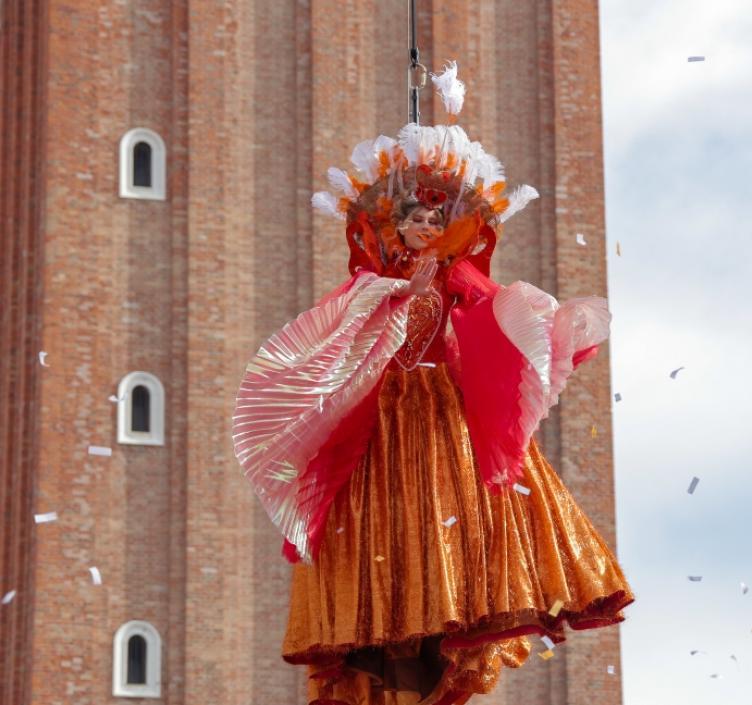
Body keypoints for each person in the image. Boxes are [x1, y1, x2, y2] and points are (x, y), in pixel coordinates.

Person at [234, 75, 633, 705]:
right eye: (415, 219)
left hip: (444, 415)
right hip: (382, 420)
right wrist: (400, 294)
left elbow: (499, 315)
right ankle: (394, 615)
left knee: (464, 518)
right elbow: (343, 335)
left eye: (433, 220)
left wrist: (549, 329)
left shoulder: (458, 278)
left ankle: (455, 604)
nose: (424, 227)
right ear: (395, 227)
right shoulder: (370, 287)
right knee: (387, 529)